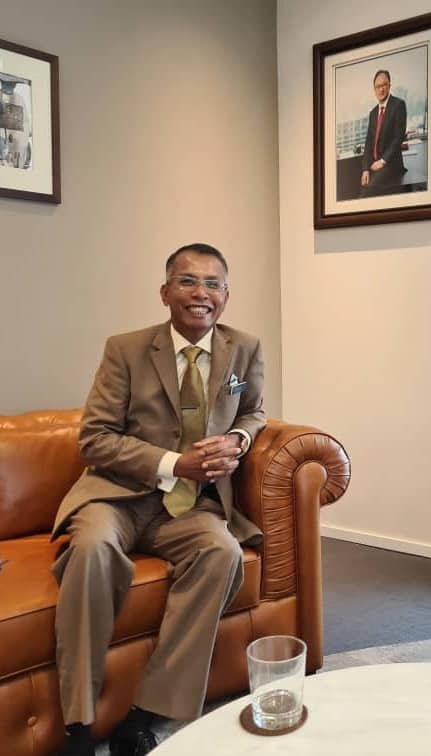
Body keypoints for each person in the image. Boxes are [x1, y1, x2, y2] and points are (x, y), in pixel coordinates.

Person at [53, 243, 266, 756]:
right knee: (92, 550)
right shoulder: (126, 349)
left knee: (222, 553)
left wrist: (237, 441)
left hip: (193, 505)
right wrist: (174, 463)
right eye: (188, 281)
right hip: (118, 496)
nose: (201, 294)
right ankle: (78, 725)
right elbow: (95, 439)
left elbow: (254, 411)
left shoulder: (245, 347)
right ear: (166, 292)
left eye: (213, 284)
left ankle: (145, 713)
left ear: (226, 295)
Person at [360, 69, 407, 196]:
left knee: (369, 191)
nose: (381, 89)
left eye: (384, 85)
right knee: (360, 188)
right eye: (378, 86)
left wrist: (382, 161)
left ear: (389, 85)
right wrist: (365, 169)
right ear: (374, 89)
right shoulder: (373, 113)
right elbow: (368, 143)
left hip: (390, 165)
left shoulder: (398, 105)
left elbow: (398, 138)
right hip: (374, 165)